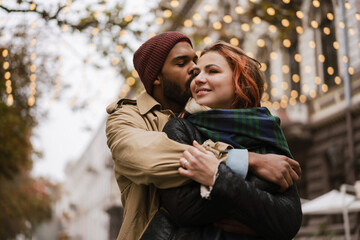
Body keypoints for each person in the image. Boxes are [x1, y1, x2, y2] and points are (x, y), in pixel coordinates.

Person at [105, 32, 301, 240]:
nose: (194, 72)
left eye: (196, 64)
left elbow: (288, 219)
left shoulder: (212, 118)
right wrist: (246, 161)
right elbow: (146, 157)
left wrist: (261, 223)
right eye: (182, 63)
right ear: (157, 77)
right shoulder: (128, 116)